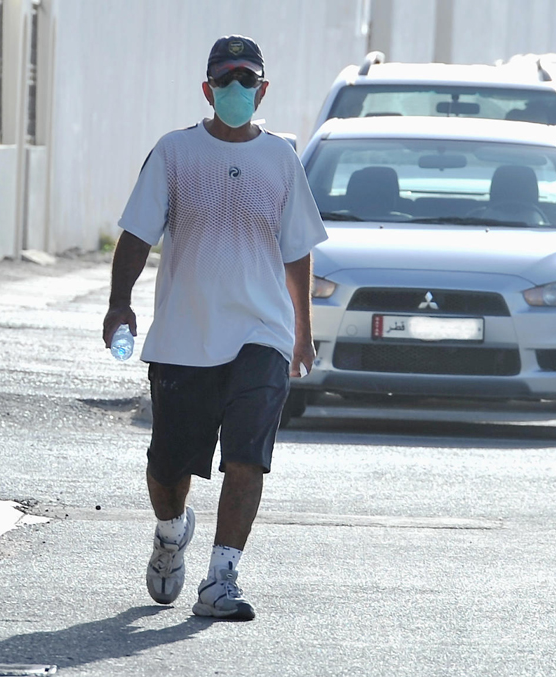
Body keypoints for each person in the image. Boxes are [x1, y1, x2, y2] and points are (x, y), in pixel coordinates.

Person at [102, 35, 327, 621]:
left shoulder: (281, 159)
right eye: (224, 81)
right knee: (167, 469)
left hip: (262, 334)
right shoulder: (175, 152)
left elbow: (297, 249)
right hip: (184, 337)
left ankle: (220, 579)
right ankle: (172, 531)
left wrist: (301, 330)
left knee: (246, 457)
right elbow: (136, 234)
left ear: (262, 89)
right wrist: (119, 303)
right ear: (207, 89)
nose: (235, 90)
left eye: (245, 81)